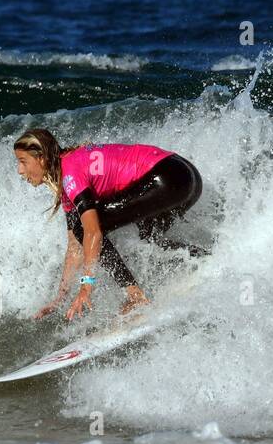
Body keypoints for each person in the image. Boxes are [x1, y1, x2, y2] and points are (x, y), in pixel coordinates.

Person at [13, 127, 207, 322]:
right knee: (149, 237)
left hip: (167, 178)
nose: (20, 170)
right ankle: (206, 261)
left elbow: (92, 233)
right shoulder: (68, 177)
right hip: (186, 176)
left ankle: (135, 296)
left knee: (86, 229)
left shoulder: (70, 174)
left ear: (42, 158)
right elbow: (75, 247)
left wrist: (86, 286)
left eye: (23, 162)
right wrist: (59, 299)